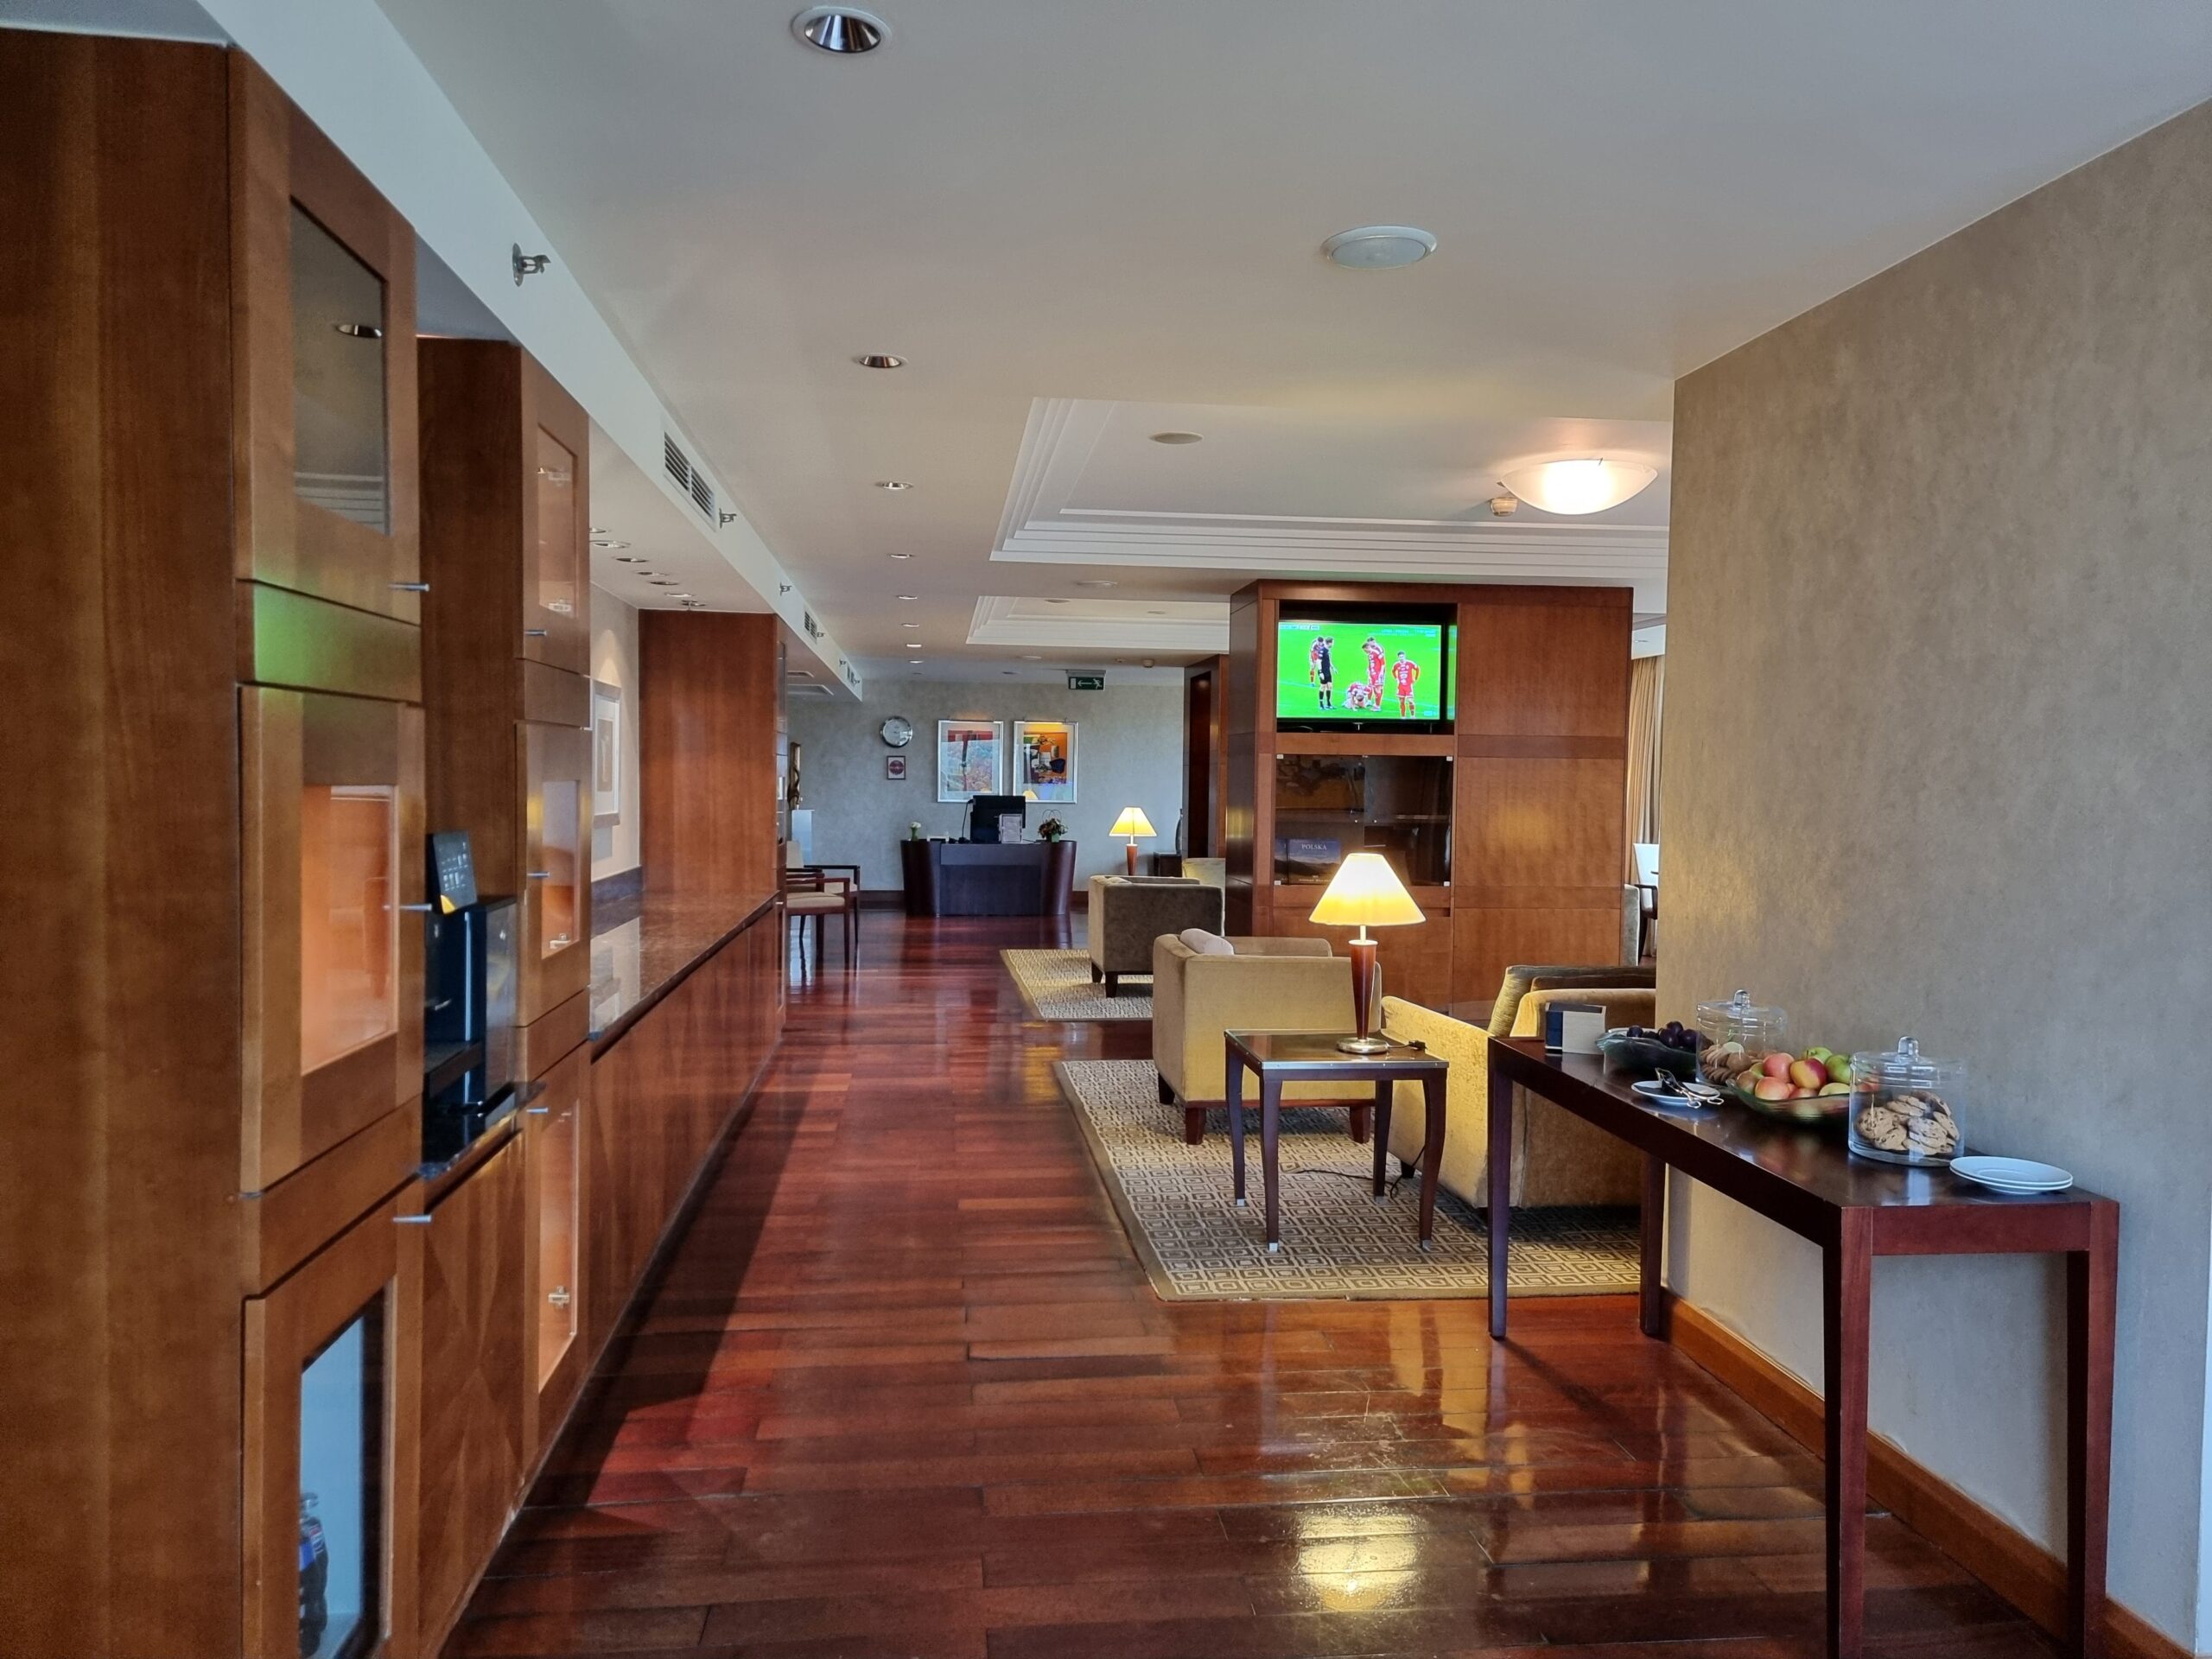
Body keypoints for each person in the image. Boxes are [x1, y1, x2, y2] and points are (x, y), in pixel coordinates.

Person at [1307, 632, 1335, 709]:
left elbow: (1328, 660)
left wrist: (1333, 667)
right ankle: (1321, 705)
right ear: (1329, 643)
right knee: (1323, 687)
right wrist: (1320, 672)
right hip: (1323, 671)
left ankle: (1329, 704)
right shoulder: (1321, 650)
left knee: (1330, 686)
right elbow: (1318, 660)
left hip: (1328, 670)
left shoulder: (1328, 650)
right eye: (1333, 642)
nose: (1333, 644)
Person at [1392, 649, 1421, 716]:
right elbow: (1393, 671)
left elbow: (1417, 669)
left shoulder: (1410, 663)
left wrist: (1415, 678)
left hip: (1408, 686)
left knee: (1410, 701)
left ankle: (1412, 716)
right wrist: (1396, 678)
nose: (1401, 658)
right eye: (1400, 657)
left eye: (1402, 657)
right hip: (1400, 686)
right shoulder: (1396, 665)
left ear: (1405, 656)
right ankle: (1403, 717)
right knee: (1402, 702)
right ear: (1398, 657)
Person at [1362, 635, 1388, 705]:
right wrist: (1369, 668)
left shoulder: (1379, 649)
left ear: (1373, 642)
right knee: (1370, 684)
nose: (1369, 645)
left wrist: (1381, 671)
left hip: (1379, 670)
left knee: (1379, 686)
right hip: (1373, 670)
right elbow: (1371, 659)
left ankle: (1378, 703)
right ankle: (1369, 701)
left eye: (1369, 644)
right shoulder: (1370, 651)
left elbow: (1382, 661)